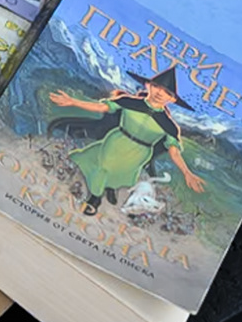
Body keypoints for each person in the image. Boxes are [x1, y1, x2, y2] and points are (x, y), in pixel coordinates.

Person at [47, 65, 207, 216]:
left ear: (171, 99)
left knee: (119, 173)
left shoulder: (169, 125)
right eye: (156, 86)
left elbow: (174, 152)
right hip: (117, 141)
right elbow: (102, 107)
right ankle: (94, 199)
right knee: (103, 166)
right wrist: (73, 102)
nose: (160, 92)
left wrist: (187, 173)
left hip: (139, 153)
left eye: (166, 92)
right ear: (148, 86)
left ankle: (109, 189)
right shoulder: (129, 102)